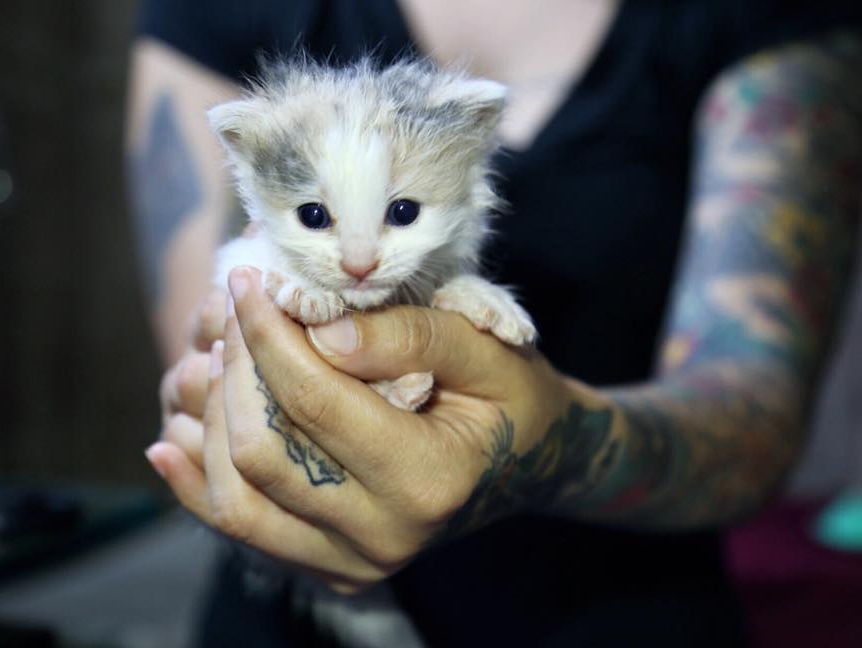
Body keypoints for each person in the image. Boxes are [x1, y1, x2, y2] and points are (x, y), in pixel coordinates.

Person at [128, 1, 862, 645]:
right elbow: (209, 366)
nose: (358, 263)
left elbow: (757, 421)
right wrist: (210, 404)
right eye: (316, 219)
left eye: (402, 215)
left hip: (614, 610)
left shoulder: (765, 16)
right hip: (285, 615)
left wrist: (549, 434)